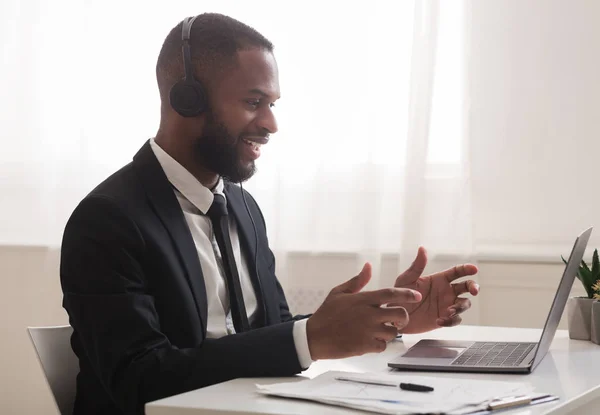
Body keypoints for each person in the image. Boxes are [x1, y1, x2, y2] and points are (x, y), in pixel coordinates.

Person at [60, 13, 479, 415]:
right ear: (188, 100)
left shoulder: (242, 206)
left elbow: (268, 333)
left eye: (272, 103)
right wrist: (309, 337)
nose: (271, 123)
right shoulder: (108, 221)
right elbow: (139, 380)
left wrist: (385, 320)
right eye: (253, 102)